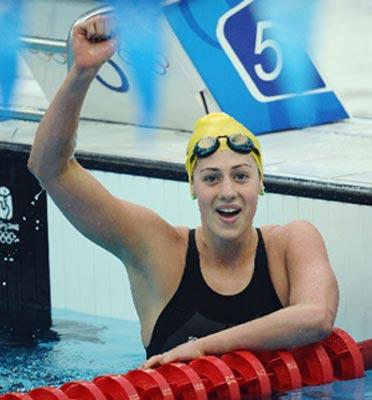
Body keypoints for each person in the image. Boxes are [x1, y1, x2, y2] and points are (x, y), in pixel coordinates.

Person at [28, 15, 339, 368]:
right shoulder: (159, 251)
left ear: (261, 183)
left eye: (241, 176)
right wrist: (81, 73)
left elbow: (317, 316)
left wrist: (204, 347)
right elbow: (49, 169)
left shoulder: (292, 244)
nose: (227, 192)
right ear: (192, 187)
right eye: (210, 178)